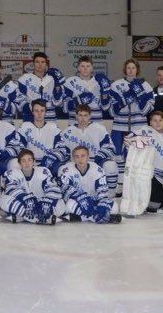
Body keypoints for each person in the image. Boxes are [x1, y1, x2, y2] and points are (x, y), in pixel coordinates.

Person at [109, 58, 154, 189]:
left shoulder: (145, 86)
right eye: (128, 68)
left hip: (138, 127)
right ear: (125, 69)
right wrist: (124, 100)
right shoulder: (116, 85)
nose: (131, 70)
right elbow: (111, 111)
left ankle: (134, 186)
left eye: (133, 68)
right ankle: (120, 185)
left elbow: (147, 110)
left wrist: (139, 95)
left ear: (137, 70)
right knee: (118, 157)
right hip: (119, 127)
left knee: (137, 157)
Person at [60, 104, 118, 198]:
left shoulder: (99, 129)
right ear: (76, 116)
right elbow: (62, 151)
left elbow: (110, 147)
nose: (83, 118)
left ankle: (109, 197)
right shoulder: (67, 132)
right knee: (61, 169)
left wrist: (98, 158)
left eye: (85, 115)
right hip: (75, 164)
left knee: (111, 166)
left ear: (90, 116)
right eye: (80, 115)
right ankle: (68, 197)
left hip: (95, 163)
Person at [58, 146, 121, 224]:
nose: (80, 159)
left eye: (83, 156)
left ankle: (83, 217)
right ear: (73, 158)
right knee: (69, 206)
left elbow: (102, 193)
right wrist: (81, 200)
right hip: (78, 201)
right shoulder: (66, 170)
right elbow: (68, 192)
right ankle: (98, 217)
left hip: (93, 200)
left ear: (88, 157)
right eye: (77, 157)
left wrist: (102, 204)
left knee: (115, 207)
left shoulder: (97, 169)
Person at [0, 149, 64, 224]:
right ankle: (42, 218)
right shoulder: (13, 173)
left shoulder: (42, 171)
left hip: (42, 204)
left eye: (29, 160)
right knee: (3, 201)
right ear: (19, 163)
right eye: (23, 161)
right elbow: (11, 189)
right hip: (24, 204)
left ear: (34, 162)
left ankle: (24, 217)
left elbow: (53, 188)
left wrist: (46, 201)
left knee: (61, 204)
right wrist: (26, 199)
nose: (27, 163)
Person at [123, 110, 163, 212]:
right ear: (150, 122)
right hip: (151, 175)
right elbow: (129, 139)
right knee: (153, 206)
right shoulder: (146, 130)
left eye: (160, 120)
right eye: (155, 120)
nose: (158, 123)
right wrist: (130, 142)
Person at [17, 99, 67, 175]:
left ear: (45, 112)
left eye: (42, 111)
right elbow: (19, 147)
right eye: (36, 111)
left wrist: (49, 159)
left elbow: (62, 149)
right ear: (32, 112)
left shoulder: (53, 127)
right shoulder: (25, 127)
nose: (39, 114)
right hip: (28, 163)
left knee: (60, 167)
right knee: (14, 163)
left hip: (49, 164)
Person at [62, 55, 111, 124]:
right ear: (78, 68)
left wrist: (105, 94)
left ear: (92, 68)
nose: (85, 68)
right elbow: (65, 108)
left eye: (88, 66)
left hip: (96, 124)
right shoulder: (70, 82)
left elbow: (105, 107)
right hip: (76, 124)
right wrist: (78, 100)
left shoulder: (99, 82)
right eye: (82, 66)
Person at [18, 51, 65, 122]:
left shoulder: (51, 78)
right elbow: (19, 101)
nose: (40, 64)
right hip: (30, 118)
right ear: (33, 64)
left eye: (43, 62)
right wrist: (33, 109)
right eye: (37, 62)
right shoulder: (24, 78)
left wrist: (57, 84)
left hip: (49, 118)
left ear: (46, 64)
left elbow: (58, 103)